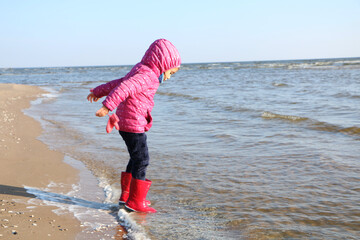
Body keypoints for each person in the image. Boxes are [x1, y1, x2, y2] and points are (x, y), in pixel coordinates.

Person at [87, 39, 181, 213]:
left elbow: (119, 82)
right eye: (170, 72)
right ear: (163, 63)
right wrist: (107, 106)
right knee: (142, 160)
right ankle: (136, 201)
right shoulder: (148, 75)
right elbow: (125, 88)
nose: (168, 77)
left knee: (135, 157)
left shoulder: (141, 70)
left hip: (127, 122)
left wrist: (99, 91)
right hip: (133, 122)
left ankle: (127, 197)